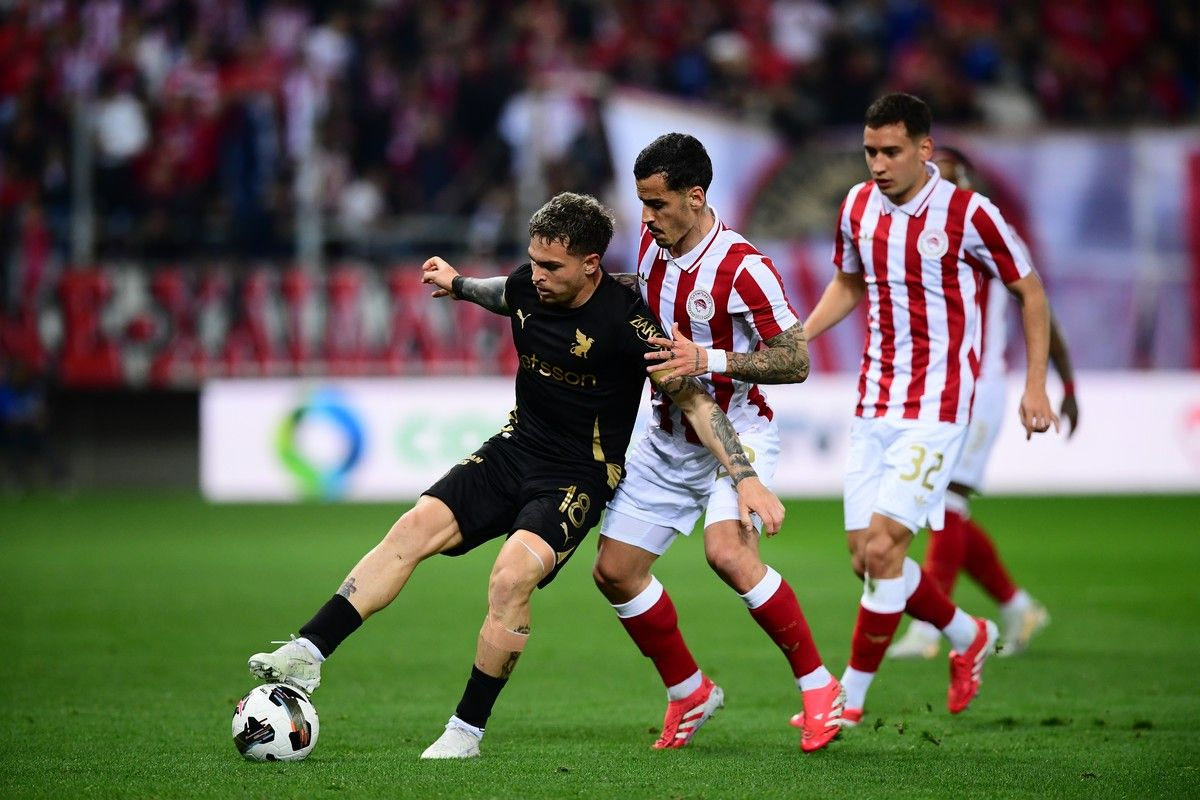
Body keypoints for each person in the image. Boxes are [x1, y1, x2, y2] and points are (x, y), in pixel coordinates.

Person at [245, 192, 785, 760]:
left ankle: (466, 731)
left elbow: (696, 403)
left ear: (591, 265)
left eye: (552, 266)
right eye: (533, 261)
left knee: (509, 578)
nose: (538, 274)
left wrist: (744, 476)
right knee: (412, 528)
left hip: (578, 476)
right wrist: (458, 284)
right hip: (515, 448)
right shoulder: (530, 285)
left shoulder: (630, 325)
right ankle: (309, 651)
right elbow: (501, 293)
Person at [797, 93, 1059, 726]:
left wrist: (1036, 386)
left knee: (886, 549)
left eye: (891, 151)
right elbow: (849, 283)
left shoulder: (970, 214)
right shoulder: (857, 206)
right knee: (864, 557)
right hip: (873, 403)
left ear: (924, 149)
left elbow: (1030, 290)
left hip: (938, 408)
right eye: (870, 151)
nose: (878, 164)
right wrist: (799, 338)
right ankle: (969, 634)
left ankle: (847, 702)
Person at [592, 132, 845, 755]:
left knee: (727, 553)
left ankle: (820, 686)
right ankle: (689, 691)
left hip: (739, 431)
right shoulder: (654, 249)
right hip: (669, 434)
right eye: (642, 203)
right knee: (615, 572)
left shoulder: (743, 267)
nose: (646, 217)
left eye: (657, 203)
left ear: (695, 196)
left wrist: (710, 358)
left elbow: (795, 359)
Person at [887, 145, 1079, 660]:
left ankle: (929, 629)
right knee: (936, 504)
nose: (939, 187)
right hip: (931, 388)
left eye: (950, 178)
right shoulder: (912, 235)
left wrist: (1062, 384)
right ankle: (1018, 607)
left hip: (981, 386)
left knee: (947, 502)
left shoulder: (989, 233)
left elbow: (1039, 307)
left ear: (968, 184)